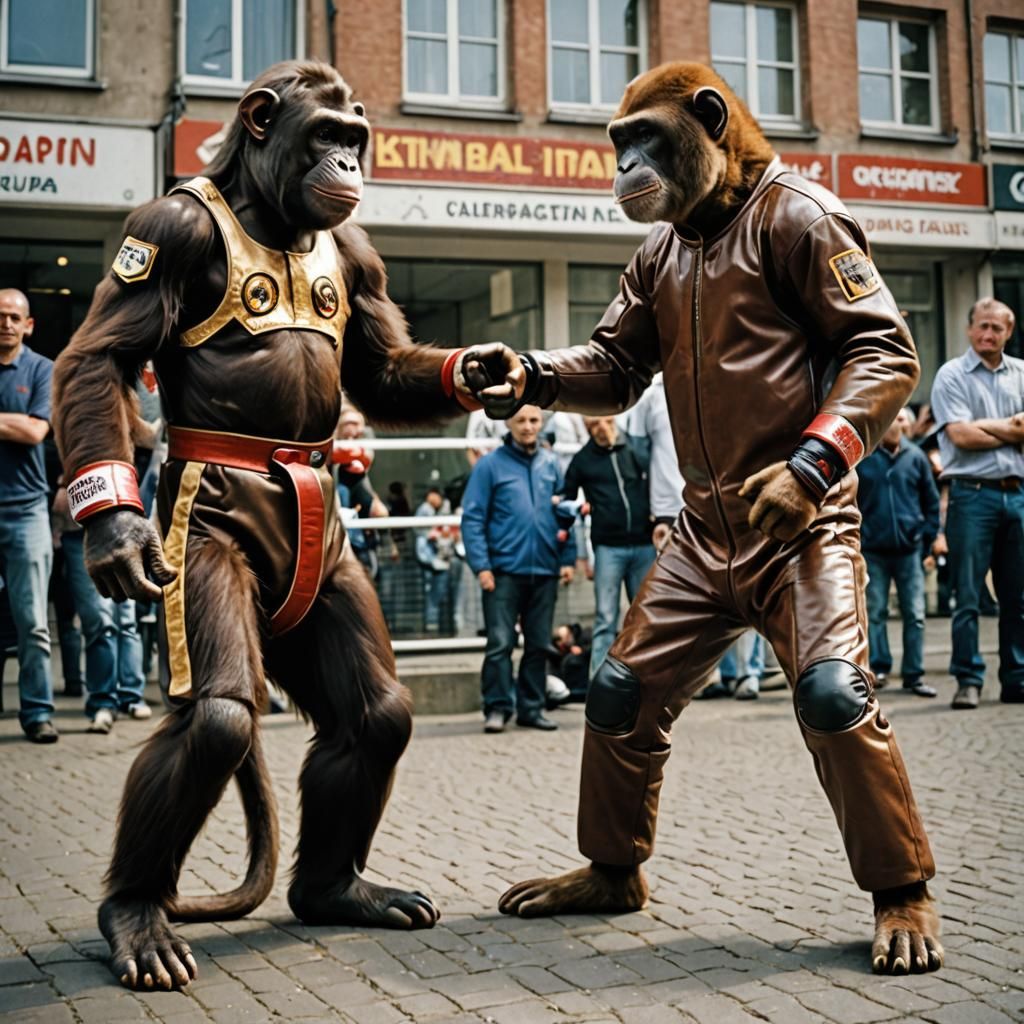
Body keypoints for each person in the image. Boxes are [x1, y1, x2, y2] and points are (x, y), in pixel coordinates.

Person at [930, 297, 1024, 710]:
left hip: (1018, 494)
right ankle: (968, 679)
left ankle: (1016, 677)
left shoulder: (1022, 374)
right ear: (970, 329)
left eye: (997, 328)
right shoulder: (951, 375)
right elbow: (960, 439)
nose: (989, 334)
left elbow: (970, 431)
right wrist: (1012, 429)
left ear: (1009, 331)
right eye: (982, 326)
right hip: (972, 495)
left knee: (1018, 597)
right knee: (967, 596)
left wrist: (978, 426)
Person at [460, 404, 575, 733]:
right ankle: (496, 708)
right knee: (500, 643)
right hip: (503, 572)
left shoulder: (552, 465)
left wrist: (567, 559)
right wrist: (481, 565)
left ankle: (532, 708)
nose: (528, 426)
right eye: (521, 420)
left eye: (533, 420)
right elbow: (473, 518)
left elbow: (566, 514)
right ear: (508, 423)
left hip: (546, 570)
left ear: (541, 423)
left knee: (539, 644)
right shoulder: (489, 466)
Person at [0, 288, 57, 743]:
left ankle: (37, 713)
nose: (6, 324)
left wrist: (18, 427)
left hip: (27, 512)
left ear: (28, 325)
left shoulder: (42, 370)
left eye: (14, 317)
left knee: (33, 622)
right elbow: (18, 426)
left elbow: (36, 430)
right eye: (0, 316)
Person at [52, 482, 151, 733]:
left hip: (122, 523)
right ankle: (103, 702)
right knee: (99, 620)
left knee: (126, 620)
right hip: (81, 529)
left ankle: (130, 695)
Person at [562, 415, 655, 678]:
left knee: (644, 617)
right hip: (608, 547)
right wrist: (578, 547)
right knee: (605, 617)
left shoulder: (636, 448)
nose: (602, 429)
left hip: (644, 543)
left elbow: (659, 480)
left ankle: (645, 677)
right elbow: (565, 502)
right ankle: (598, 684)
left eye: (606, 422)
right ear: (585, 427)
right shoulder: (582, 460)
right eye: (594, 425)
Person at [858, 407, 941, 698]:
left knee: (915, 614)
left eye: (902, 419)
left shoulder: (916, 458)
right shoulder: (864, 459)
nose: (898, 423)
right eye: (893, 418)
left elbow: (931, 504)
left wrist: (926, 539)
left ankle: (914, 675)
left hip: (909, 551)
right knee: (876, 612)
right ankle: (879, 670)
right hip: (873, 551)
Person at [415, 486, 455, 631]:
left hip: (433, 558)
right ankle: (432, 624)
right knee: (434, 593)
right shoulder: (426, 509)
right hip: (432, 558)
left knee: (433, 593)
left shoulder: (432, 510)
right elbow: (423, 532)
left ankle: (432, 623)